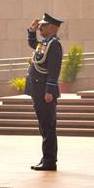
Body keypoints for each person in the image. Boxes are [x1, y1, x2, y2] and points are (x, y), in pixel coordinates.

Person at [24, 13, 63, 171]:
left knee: (48, 126)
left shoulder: (54, 44)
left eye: (43, 25)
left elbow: (54, 69)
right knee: (43, 126)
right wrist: (32, 31)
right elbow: (33, 44)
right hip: (37, 89)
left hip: (44, 91)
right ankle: (46, 158)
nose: (40, 27)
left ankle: (49, 160)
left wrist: (49, 91)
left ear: (52, 28)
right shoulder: (45, 43)